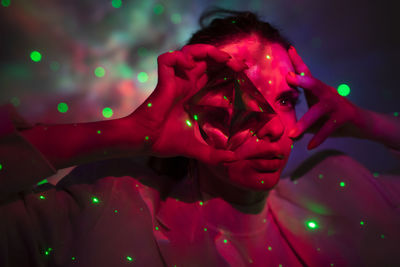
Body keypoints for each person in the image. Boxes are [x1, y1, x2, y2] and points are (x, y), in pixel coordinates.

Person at [1, 9, 399, 267]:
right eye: (241, 100)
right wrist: (129, 132)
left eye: (284, 99)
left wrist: (369, 123)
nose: (276, 127)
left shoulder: (343, 189)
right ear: (192, 109)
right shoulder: (105, 206)